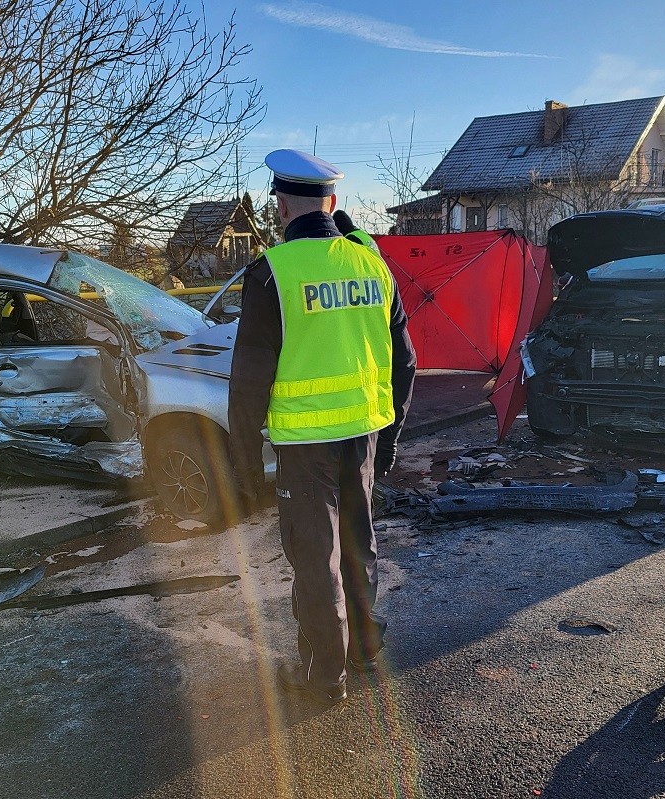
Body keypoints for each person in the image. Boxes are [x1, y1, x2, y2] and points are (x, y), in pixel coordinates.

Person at [228, 149, 417, 705]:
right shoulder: (372, 264)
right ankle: (364, 649)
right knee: (360, 547)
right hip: (363, 435)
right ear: (332, 203)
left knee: (317, 562)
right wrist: (389, 441)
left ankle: (323, 677)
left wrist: (243, 467)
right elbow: (404, 362)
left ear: (280, 207)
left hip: (303, 447)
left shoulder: (272, 274)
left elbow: (248, 386)